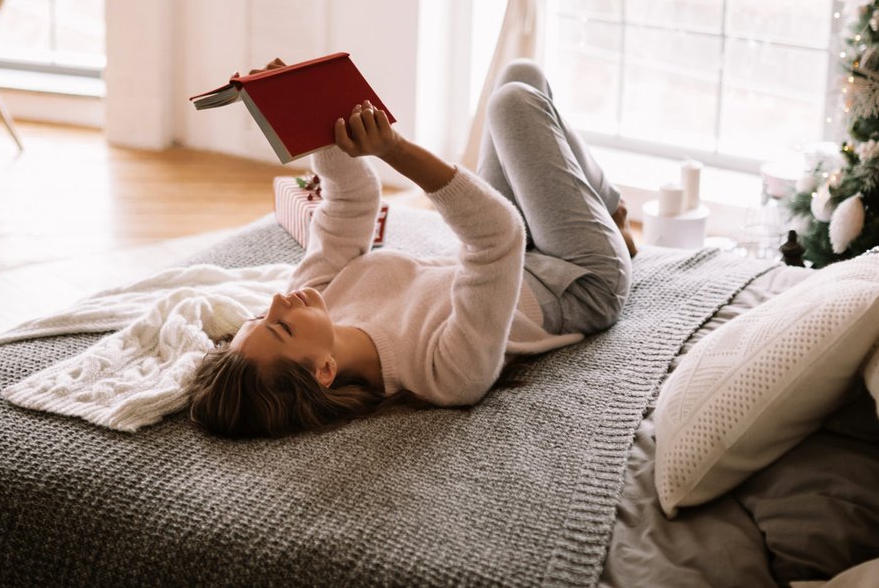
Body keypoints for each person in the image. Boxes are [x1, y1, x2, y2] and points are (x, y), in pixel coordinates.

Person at [185, 59, 633, 438]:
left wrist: (304, 110)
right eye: (280, 328)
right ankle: (611, 225)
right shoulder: (445, 376)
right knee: (513, 103)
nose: (280, 301)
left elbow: (349, 203)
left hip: (518, 254)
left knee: (520, 73)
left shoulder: (315, 299)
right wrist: (392, 148)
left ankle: (606, 214)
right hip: (578, 282)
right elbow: (498, 238)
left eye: (262, 316)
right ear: (323, 371)